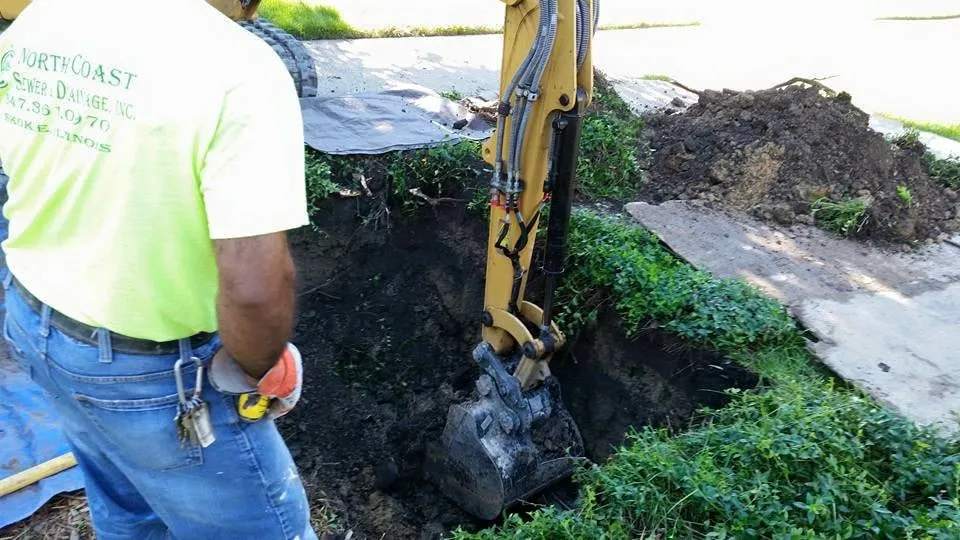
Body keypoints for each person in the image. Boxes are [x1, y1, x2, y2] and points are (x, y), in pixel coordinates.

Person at [0, 0, 317, 538]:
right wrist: (257, 371)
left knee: (130, 513)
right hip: (148, 373)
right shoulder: (240, 70)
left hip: (34, 322)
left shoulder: (43, 17)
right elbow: (255, 287)